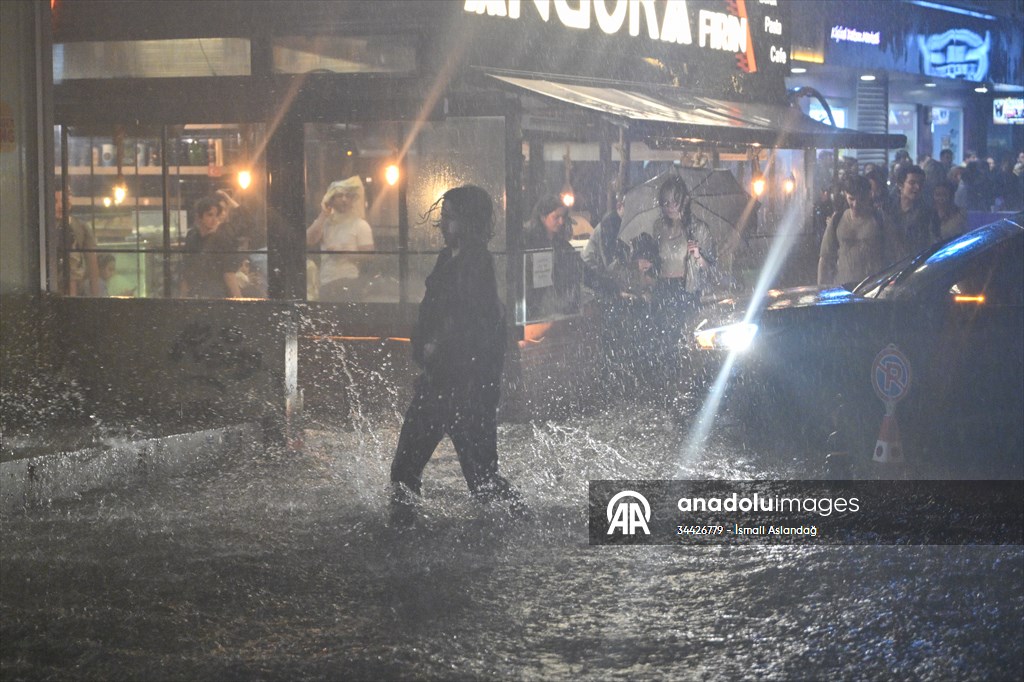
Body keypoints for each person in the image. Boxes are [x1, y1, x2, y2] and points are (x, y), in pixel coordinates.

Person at [389, 185, 525, 527]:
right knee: (405, 469)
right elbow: (433, 309)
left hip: (467, 388)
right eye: (442, 216)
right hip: (437, 383)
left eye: (449, 217)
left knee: (481, 480)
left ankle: (523, 522)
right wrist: (423, 346)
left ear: (468, 221)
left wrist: (440, 346)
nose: (442, 224)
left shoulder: (478, 262)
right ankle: (401, 533)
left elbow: (475, 322)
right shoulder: (446, 258)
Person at [524, 194, 620, 318]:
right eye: (556, 217)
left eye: (563, 217)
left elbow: (583, 272)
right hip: (538, 313)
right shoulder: (529, 245)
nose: (561, 221)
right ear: (542, 217)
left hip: (562, 311)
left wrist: (610, 287)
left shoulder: (563, 246)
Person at [306, 176, 374, 301]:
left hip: (350, 284)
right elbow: (309, 240)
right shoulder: (325, 223)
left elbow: (369, 255)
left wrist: (344, 253)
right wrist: (323, 214)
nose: (344, 199)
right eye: (340, 196)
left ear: (353, 200)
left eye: (348, 196)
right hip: (326, 284)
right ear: (331, 199)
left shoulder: (360, 225)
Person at [817, 175, 884, 287]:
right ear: (845, 195)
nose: (855, 205)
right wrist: (821, 287)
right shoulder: (837, 219)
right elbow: (825, 257)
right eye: (851, 199)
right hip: (842, 286)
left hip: (872, 287)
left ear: (869, 195)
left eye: (861, 199)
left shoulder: (879, 219)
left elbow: (895, 253)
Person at [179, 195, 245, 298]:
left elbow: (229, 273)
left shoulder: (222, 237)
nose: (214, 220)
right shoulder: (191, 237)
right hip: (198, 293)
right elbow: (187, 271)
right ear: (199, 216)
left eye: (216, 215)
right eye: (210, 215)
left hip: (217, 294)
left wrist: (239, 300)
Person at [883, 164, 938, 262]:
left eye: (920, 183)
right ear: (900, 185)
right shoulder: (887, 209)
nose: (917, 187)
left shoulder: (928, 213)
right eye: (912, 183)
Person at [56, 190, 100, 297]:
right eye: (55, 201)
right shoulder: (45, 228)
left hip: (75, 284)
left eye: (64, 200)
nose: (60, 205)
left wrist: (96, 297)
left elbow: (92, 262)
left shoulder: (81, 227)